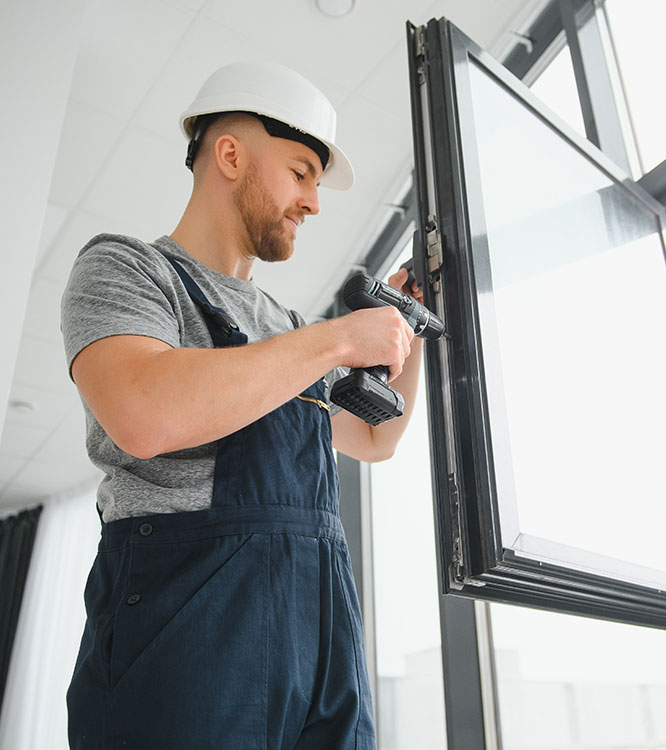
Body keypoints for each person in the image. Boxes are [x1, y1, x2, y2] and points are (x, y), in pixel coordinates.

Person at [62, 60, 423, 749]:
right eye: (300, 172)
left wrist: (414, 329)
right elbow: (143, 412)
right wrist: (337, 339)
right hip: (189, 632)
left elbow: (377, 439)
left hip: (320, 633)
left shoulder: (289, 329)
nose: (314, 202)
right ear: (230, 154)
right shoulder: (127, 269)